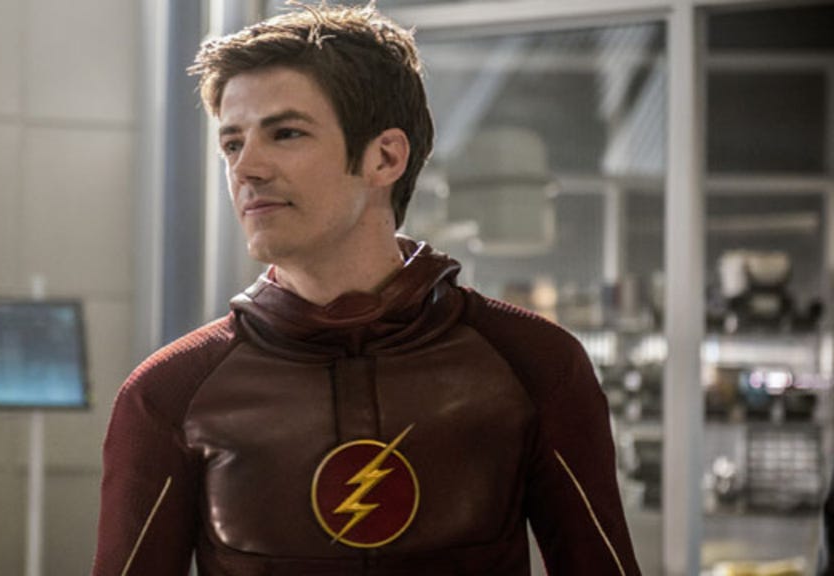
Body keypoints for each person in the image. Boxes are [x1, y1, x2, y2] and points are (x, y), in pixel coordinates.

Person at [93, 3, 641, 575]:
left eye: (285, 133)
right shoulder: (169, 394)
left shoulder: (536, 365)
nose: (246, 168)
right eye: (232, 144)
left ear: (385, 157)